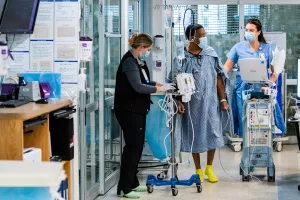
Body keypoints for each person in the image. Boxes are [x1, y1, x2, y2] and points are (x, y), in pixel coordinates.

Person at [114, 33, 174, 198]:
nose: (148, 51)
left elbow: (144, 82)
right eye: (147, 49)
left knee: (136, 147)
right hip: (128, 111)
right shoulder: (129, 62)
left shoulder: (138, 61)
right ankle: (124, 188)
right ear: (141, 47)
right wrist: (158, 90)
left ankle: (132, 183)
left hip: (136, 110)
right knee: (133, 148)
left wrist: (157, 84)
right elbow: (138, 87)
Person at [173, 24, 233, 183]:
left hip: (211, 101)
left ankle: (210, 167)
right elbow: (175, 80)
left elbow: (220, 77)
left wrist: (223, 99)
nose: (204, 38)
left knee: (213, 132)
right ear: (192, 37)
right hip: (191, 104)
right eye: (202, 35)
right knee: (195, 134)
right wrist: (179, 100)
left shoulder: (210, 54)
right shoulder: (181, 57)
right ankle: (198, 169)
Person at [224, 18, 286, 137]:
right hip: (242, 90)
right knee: (244, 117)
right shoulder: (238, 48)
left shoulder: (267, 49)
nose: (248, 33)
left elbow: (274, 73)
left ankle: (262, 143)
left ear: (258, 32)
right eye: (246, 30)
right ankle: (245, 143)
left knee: (262, 117)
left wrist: (270, 84)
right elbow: (227, 66)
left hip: (262, 89)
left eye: (251, 30)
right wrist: (219, 76)